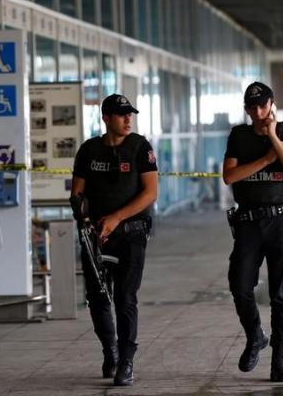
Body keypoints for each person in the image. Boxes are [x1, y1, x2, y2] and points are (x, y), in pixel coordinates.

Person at [70, 93, 158, 386]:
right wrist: (81, 212)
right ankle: (110, 351)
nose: (127, 119)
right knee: (97, 298)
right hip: (96, 236)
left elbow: (150, 193)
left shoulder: (140, 148)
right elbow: (77, 192)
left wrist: (117, 217)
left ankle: (127, 360)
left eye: (130, 114)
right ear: (106, 118)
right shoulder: (89, 150)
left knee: (125, 297)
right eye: (121, 115)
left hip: (131, 234)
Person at [222, 82, 283, 382]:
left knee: (280, 293)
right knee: (240, 285)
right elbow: (230, 176)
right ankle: (256, 335)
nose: (258, 112)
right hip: (248, 223)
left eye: (262, 106)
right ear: (246, 110)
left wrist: (272, 136)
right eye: (252, 108)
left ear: (272, 104)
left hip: (280, 221)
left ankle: (279, 359)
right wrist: (266, 160)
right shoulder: (239, 136)